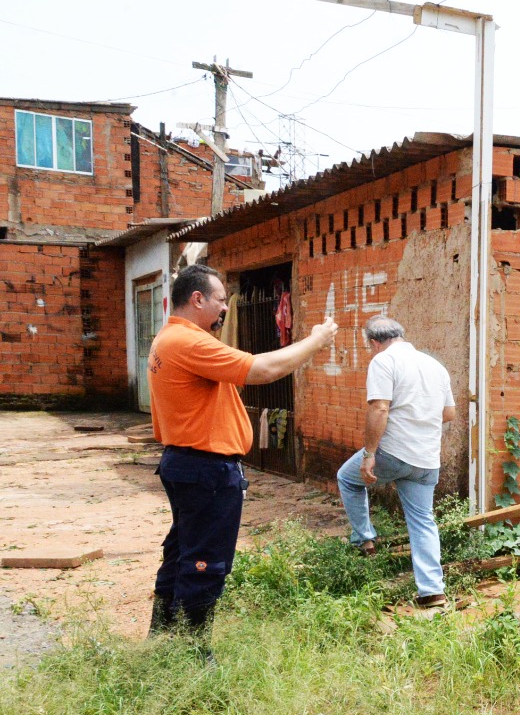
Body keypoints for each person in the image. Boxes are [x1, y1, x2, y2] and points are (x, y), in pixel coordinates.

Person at [148, 263, 339, 644]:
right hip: (205, 467)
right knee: (206, 562)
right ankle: (192, 653)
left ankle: (163, 638)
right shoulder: (189, 342)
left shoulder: (170, 338)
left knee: (183, 552)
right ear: (197, 298)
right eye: (221, 300)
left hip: (188, 462)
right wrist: (316, 340)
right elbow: (264, 369)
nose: (224, 309)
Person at [336, 316, 456, 609]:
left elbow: (379, 408)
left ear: (374, 343)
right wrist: (418, 420)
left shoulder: (383, 361)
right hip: (427, 459)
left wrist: (369, 454)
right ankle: (432, 592)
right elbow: (449, 413)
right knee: (422, 521)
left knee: (347, 478)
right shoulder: (435, 366)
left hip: (394, 452)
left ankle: (364, 541)